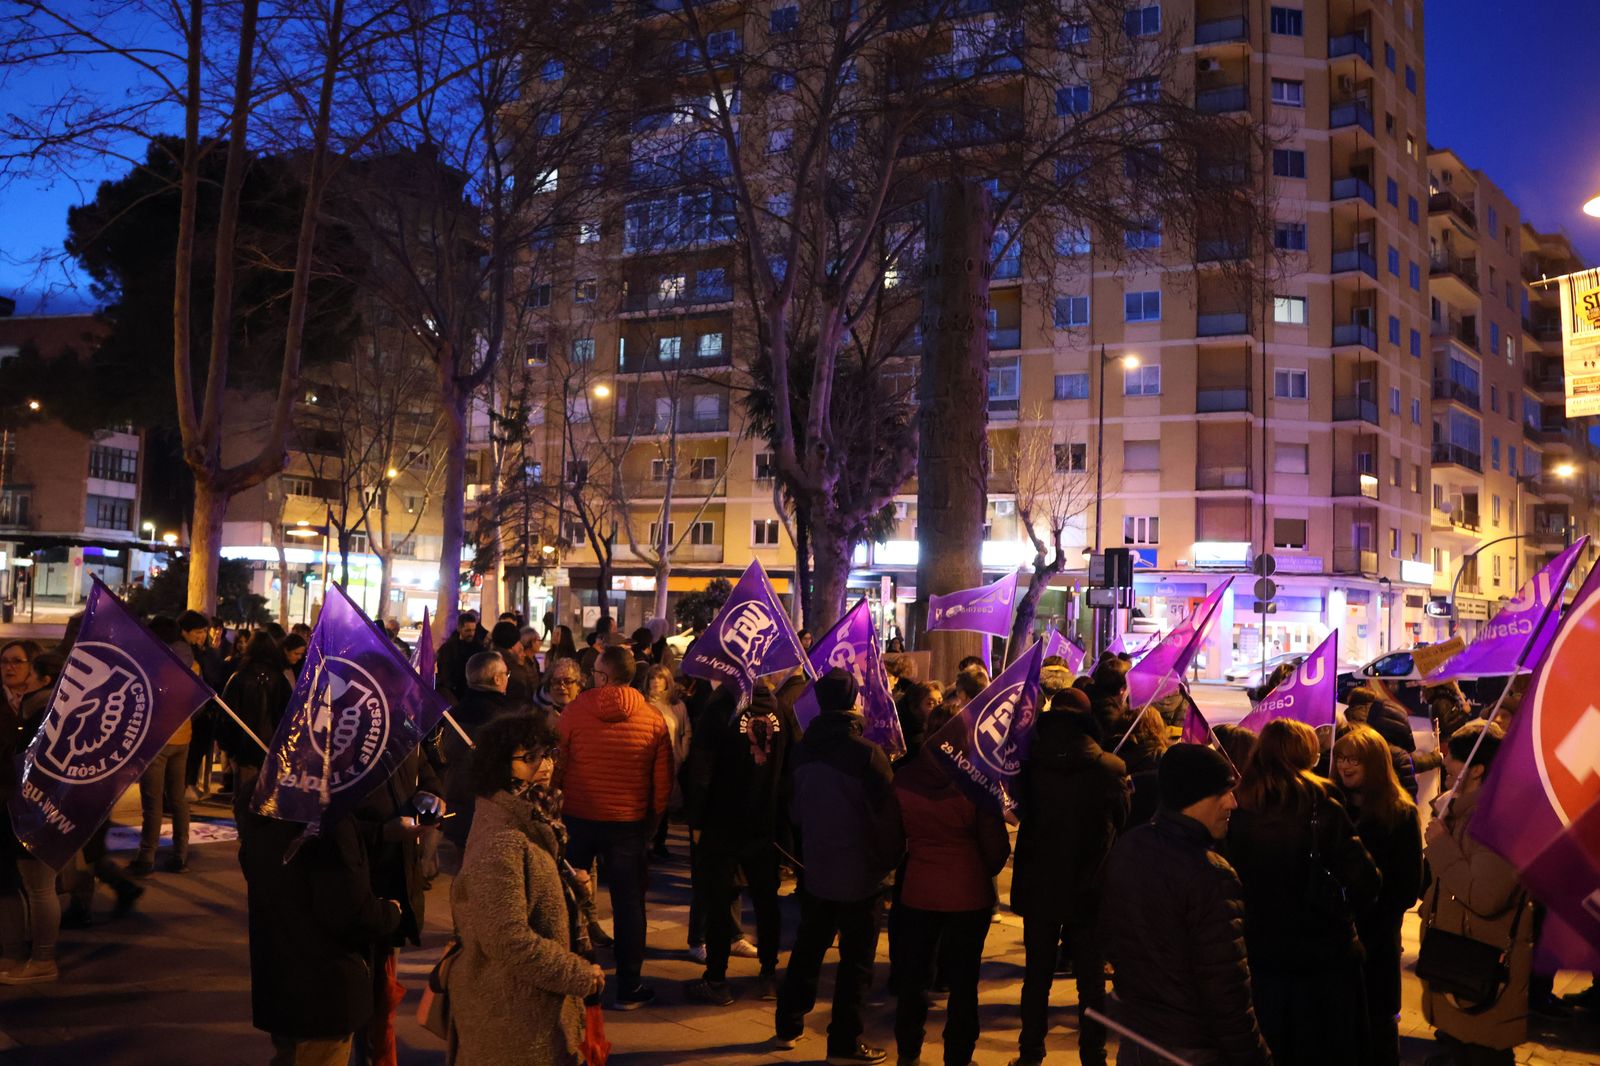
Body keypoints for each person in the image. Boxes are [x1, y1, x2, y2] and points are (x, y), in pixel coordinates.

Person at [448, 712, 604, 1065]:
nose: (545, 765)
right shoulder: (501, 840)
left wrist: (574, 891)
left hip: (532, 1007)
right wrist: (577, 973)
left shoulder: (533, 817)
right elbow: (506, 937)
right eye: (529, 758)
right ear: (500, 765)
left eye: (548, 753)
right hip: (511, 1014)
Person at [1100, 743, 1270, 1065]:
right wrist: (1254, 1056)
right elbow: (1225, 988)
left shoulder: (1129, 848)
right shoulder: (1210, 874)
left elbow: (1112, 941)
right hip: (1192, 1045)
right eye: (1224, 792)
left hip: (1138, 1039)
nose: (1233, 802)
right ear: (1195, 797)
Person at [1226, 719, 1380, 1065]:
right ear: (1306, 756)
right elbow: (1366, 880)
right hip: (1322, 960)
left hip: (1259, 956)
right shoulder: (1321, 805)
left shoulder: (1237, 808)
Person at [774, 669, 903, 1064]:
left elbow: (793, 808)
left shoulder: (802, 747)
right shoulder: (867, 754)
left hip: (817, 866)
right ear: (852, 703)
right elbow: (889, 817)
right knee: (856, 962)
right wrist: (887, 865)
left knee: (808, 947)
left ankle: (788, 1023)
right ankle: (844, 1040)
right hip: (860, 874)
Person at [1010, 688, 1129, 1066]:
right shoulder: (1109, 768)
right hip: (1089, 887)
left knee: (1037, 976)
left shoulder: (1028, 765)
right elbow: (1123, 821)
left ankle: (1030, 1053)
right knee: (1090, 981)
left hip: (1040, 884)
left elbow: (1020, 812)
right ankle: (1092, 1055)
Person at [238, 806, 402, 1064]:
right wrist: (390, 912)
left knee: (289, 1055)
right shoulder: (329, 821)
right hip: (324, 988)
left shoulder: (265, 808)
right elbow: (349, 911)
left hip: (281, 974)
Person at [556, 645, 671, 1008]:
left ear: (604, 676)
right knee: (629, 904)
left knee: (568, 899)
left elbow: (557, 764)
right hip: (628, 822)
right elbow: (663, 781)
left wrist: (556, 807)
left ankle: (571, 981)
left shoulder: (575, 712)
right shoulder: (652, 719)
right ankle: (630, 986)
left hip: (577, 816)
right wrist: (651, 821)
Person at [1420, 721, 1532, 1066]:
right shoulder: (1459, 813)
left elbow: (1485, 895)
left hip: (1482, 978)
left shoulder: (1499, 819)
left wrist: (1440, 846)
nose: (1445, 763)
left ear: (1477, 769)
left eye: (1452, 757)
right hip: (1456, 970)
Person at [891, 745, 1010, 1066]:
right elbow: (996, 848)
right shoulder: (976, 783)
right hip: (967, 893)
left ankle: (908, 1051)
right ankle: (958, 1055)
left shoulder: (903, 778)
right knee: (963, 980)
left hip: (919, 889)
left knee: (914, 975)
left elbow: (891, 835)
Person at [681, 676, 797, 1006]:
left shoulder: (721, 707)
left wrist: (697, 820)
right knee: (766, 901)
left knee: (719, 900)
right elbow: (791, 768)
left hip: (723, 821)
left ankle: (717, 979)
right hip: (764, 822)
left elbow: (701, 770)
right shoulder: (781, 709)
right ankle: (768, 975)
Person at [1334, 725, 1423, 1066]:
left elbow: (1406, 887)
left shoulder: (1399, 813)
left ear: (1374, 763)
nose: (1346, 765)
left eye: (1354, 758)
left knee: (1377, 1026)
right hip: (1335, 939)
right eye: (1341, 757)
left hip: (1377, 938)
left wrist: (1367, 911)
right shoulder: (1330, 805)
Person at [0, 651, 64, 984]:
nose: (9, 667)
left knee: (39, 887)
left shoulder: (42, 711)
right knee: (10, 884)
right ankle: (14, 954)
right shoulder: (24, 706)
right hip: (14, 808)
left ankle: (43, 959)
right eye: (4, 661)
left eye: (18, 662)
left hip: (33, 809)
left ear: (38, 675)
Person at [132, 616, 195, 876]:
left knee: (152, 802)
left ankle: (147, 857)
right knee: (178, 798)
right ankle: (180, 854)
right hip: (184, 736)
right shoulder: (193, 664)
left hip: (158, 740)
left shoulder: (155, 666)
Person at [442, 652, 519, 853]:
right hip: (492, 808)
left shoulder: (452, 716)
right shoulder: (507, 719)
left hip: (457, 803)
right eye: (506, 674)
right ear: (497, 678)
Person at [217, 632, 296, 816]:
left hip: (244, 747)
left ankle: (244, 833)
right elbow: (289, 714)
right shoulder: (280, 680)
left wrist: (227, 747)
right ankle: (260, 834)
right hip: (272, 747)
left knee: (244, 795)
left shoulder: (239, 678)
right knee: (268, 796)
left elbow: (227, 716)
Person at [641, 664, 689, 861]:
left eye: (659, 678)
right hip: (646, 760)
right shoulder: (642, 702)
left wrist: (681, 754)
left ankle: (659, 842)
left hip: (670, 760)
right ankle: (646, 842)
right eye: (652, 678)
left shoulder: (677, 706)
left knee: (664, 802)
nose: (655, 682)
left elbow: (686, 732)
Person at [436, 612, 485, 700]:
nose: (471, 633)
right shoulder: (448, 649)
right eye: (468, 630)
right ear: (459, 628)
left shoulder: (479, 648)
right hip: (453, 694)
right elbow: (444, 672)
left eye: (473, 630)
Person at [490, 620, 538, 701]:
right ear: (512, 644)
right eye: (518, 641)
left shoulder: (489, 660)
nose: (521, 645)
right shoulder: (513, 669)